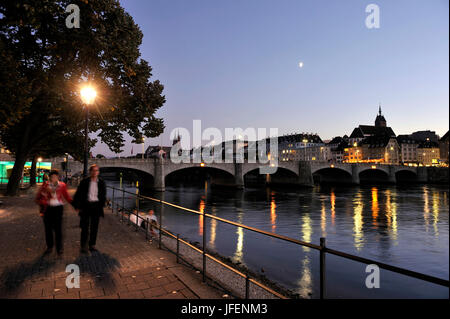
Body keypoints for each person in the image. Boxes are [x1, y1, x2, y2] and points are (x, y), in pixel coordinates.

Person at [34, 170, 72, 256]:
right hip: (48, 208)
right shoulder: (45, 185)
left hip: (58, 208)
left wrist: (75, 205)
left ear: (58, 177)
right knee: (48, 229)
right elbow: (39, 196)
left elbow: (67, 196)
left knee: (58, 229)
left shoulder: (62, 185)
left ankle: (59, 248)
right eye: (52, 177)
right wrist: (44, 198)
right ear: (50, 177)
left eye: (55, 176)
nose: (54, 178)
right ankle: (49, 246)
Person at [73, 164, 106, 254]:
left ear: (98, 172)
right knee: (85, 227)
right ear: (90, 172)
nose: (95, 172)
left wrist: (101, 205)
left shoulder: (101, 182)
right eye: (93, 170)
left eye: (96, 171)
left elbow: (103, 195)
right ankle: (83, 246)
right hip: (86, 206)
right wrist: (77, 206)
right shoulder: (84, 182)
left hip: (96, 207)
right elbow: (78, 194)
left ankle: (92, 245)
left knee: (94, 227)